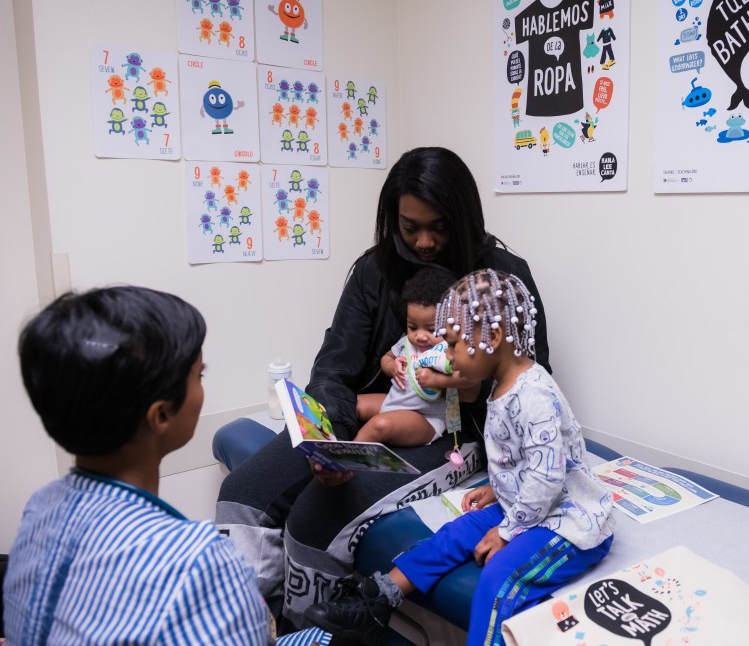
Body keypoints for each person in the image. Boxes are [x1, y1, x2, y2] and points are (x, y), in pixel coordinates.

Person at [216, 146, 552, 627]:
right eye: (410, 227)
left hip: (452, 430)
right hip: (373, 413)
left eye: (439, 227)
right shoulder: (374, 271)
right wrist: (328, 438)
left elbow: (533, 384)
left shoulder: (502, 280)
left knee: (314, 516)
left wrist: (480, 409)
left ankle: (305, 632)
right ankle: (240, 625)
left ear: (464, 218)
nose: (424, 242)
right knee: (243, 492)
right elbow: (334, 366)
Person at [5, 286, 331, 646]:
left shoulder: (39, 508)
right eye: (199, 375)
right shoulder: (198, 564)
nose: (202, 386)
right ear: (160, 415)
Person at [304, 270, 614, 645]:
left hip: (568, 521)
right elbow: (527, 461)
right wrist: (498, 490)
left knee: (498, 577)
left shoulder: (534, 395)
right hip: (531, 504)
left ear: (492, 339)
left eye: (452, 345)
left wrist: (506, 532)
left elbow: (548, 476)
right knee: (454, 534)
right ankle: (378, 601)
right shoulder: (504, 385)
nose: (447, 357)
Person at [354, 266, 475, 447]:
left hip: (425, 418)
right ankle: (324, 441)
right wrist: (392, 366)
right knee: (351, 403)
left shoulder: (449, 350)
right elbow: (386, 358)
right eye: (412, 327)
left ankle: (344, 456)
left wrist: (437, 379)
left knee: (380, 425)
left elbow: (469, 379)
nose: (420, 336)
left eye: (431, 329)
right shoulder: (407, 342)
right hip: (393, 401)